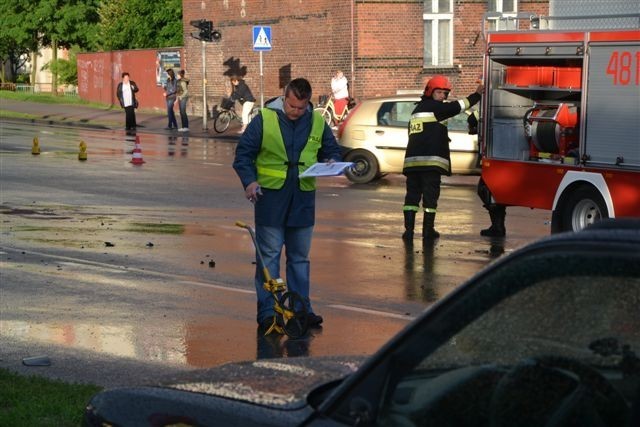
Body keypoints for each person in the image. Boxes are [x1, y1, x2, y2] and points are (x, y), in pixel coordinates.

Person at [232, 78, 342, 333]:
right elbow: (243, 155)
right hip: (270, 200)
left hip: (302, 201)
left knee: (299, 259)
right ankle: (269, 313)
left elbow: (332, 150)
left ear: (308, 103)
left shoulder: (316, 121)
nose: (295, 112)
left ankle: (301, 310)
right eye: (292, 106)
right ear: (284, 97)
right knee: (269, 259)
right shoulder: (265, 119)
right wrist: (249, 182)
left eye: (301, 108)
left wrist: (333, 162)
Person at [402, 75, 483, 242]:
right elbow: (459, 106)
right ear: (430, 92)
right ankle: (428, 231)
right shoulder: (436, 108)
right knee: (430, 197)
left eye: (444, 93)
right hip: (430, 163)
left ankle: (408, 231)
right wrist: (477, 95)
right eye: (439, 92)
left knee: (412, 197)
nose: (442, 96)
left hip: (412, 164)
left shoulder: (417, 110)